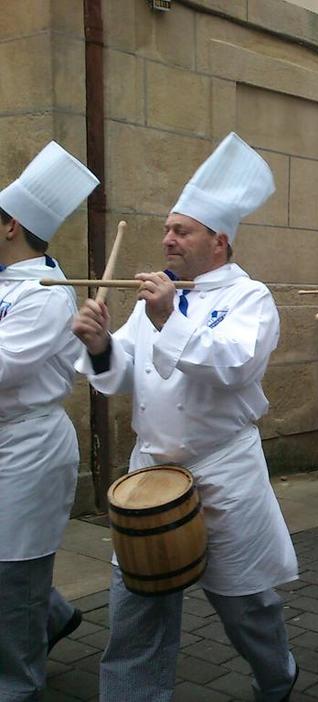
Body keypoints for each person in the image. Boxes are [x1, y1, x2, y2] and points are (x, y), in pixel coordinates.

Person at [71, 133, 299, 701]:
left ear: (218, 241)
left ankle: (277, 677)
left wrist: (168, 314)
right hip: (151, 474)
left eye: (182, 230)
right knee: (135, 611)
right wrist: (101, 344)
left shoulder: (251, 297)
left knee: (245, 605)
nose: (168, 239)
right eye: (168, 229)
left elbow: (235, 365)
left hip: (224, 471)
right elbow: (126, 370)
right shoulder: (160, 296)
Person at [0, 142, 99, 701]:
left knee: (14, 574)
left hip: (28, 443)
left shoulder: (43, 293)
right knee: (10, 569)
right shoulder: (8, 282)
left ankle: (17, 686)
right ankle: (54, 615)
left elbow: (2, 365)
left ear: (12, 226)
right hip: (7, 439)